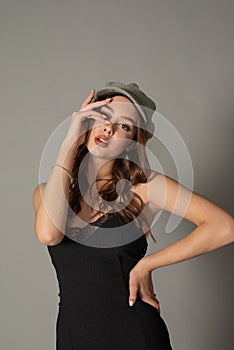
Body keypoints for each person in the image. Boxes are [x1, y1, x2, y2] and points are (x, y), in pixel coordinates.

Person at [32, 81, 234, 350]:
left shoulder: (145, 189)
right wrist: (69, 142)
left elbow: (225, 227)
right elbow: (49, 234)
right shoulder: (46, 193)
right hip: (74, 336)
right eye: (104, 117)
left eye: (124, 126)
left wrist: (147, 265)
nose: (109, 129)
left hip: (135, 336)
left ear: (131, 142)